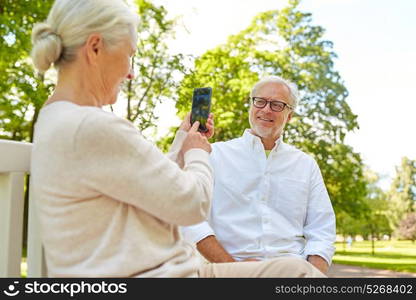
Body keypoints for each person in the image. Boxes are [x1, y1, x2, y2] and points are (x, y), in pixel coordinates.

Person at [30, 0, 324, 278]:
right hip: (170, 275)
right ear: (95, 48)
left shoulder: (56, 117)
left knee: (295, 271)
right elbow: (191, 203)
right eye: (129, 55)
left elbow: (151, 185)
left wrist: (183, 142)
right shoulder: (93, 127)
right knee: (299, 275)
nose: (131, 73)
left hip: (174, 270)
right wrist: (198, 153)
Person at [182, 76, 336, 275]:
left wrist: (312, 278)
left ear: (289, 115)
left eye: (277, 104)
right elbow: (192, 218)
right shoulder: (213, 154)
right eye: (260, 101)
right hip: (225, 272)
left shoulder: (306, 165)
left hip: (292, 274)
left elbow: (322, 230)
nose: (266, 109)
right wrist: (235, 270)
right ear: (251, 106)